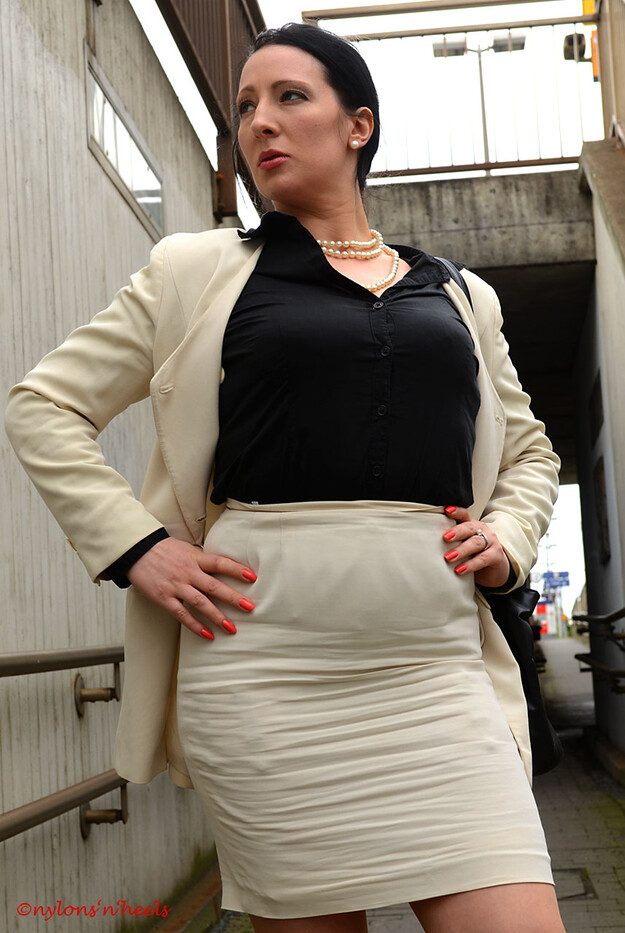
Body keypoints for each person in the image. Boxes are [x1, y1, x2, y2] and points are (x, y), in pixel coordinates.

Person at [5, 22, 565, 933]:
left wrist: (505, 537)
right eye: (244, 107)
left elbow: (530, 452)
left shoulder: (462, 296)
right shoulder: (196, 271)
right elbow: (43, 404)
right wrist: (137, 547)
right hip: (263, 680)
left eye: (289, 97)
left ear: (357, 125)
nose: (258, 121)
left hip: (435, 674)